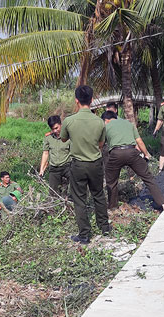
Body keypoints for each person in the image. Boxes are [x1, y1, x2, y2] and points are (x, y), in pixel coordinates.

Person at [60, 85, 111, 244]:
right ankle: (104, 228)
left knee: (79, 200)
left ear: (76, 101)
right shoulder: (99, 122)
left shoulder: (69, 121)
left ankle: (84, 235)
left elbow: (63, 139)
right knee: (99, 195)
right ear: (91, 100)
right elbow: (101, 144)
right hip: (95, 163)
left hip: (78, 165)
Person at [102, 111, 164, 211]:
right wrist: (146, 154)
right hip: (132, 152)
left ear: (106, 120)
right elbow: (139, 141)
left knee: (112, 182)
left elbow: (101, 144)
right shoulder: (128, 124)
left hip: (116, 154)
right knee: (148, 177)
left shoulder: (106, 126)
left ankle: (113, 208)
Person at [39, 115, 72, 197]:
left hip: (67, 166)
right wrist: (42, 169)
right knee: (53, 194)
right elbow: (45, 153)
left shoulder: (69, 136)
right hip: (54, 168)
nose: (55, 131)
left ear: (61, 124)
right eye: (53, 129)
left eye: (56, 128)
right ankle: (54, 209)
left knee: (72, 189)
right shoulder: (48, 138)